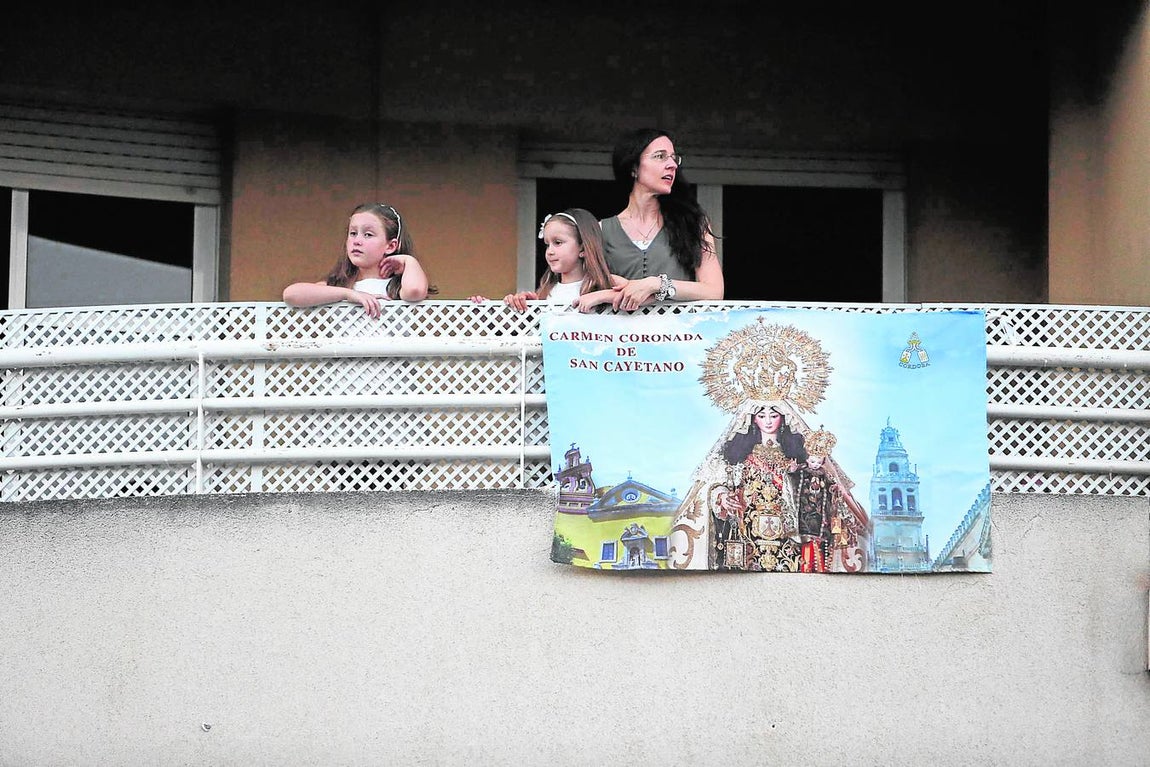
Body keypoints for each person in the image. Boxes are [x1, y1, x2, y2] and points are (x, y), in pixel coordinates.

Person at [601, 127, 724, 311]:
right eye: (660, 156)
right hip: (619, 337)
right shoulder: (601, 229)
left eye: (674, 158)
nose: (672, 165)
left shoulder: (693, 223)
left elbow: (714, 291)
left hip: (678, 336)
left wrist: (656, 284)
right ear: (633, 168)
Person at [283, 202, 434, 318]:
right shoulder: (341, 284)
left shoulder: (396, 286)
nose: (357, 241)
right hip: (344, 358)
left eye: (368, 234)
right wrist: (349, 294)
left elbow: (415, 291)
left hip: (391, 359)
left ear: (391, 245)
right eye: (353, 233)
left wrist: (409, 261)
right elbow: (291, 295)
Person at [469, 208, 623, 312]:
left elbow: (642, 297)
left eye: (558, 243)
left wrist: (601, 296)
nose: (550, 251)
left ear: (583, 248)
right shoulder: (546, 292)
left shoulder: (606, 283)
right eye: (547, 244)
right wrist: (494, 310)